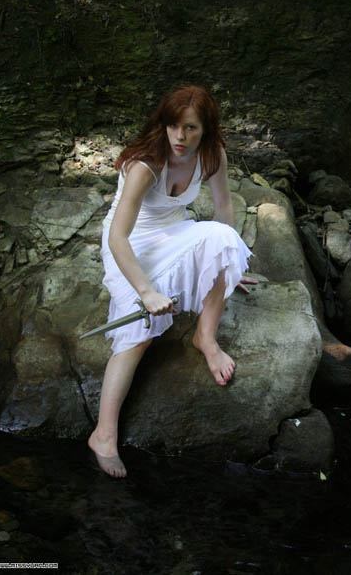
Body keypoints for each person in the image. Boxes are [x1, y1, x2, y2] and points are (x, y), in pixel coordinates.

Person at [88, 84, 255, 478]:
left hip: (173, 232)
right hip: (131, 244)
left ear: (206, 130)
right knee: (141, 333)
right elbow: (117, 238)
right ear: (163, 124)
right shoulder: (145, 165)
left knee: (224, 241)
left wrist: (226, 264)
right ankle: (103, 434)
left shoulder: (212, 155)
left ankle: (206, 339)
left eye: (191, 128)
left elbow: (224, 208)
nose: (180, 137)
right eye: (173, 126)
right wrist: (146, 292)